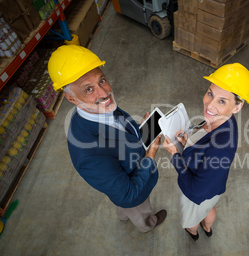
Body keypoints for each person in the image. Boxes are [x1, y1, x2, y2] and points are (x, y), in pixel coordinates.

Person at [47, 45, 166, 233]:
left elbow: (122, 132)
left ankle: (123, 214)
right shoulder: (87, 152)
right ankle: (147, 224)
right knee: (136, 206)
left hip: (123, 178)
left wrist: (142, 132)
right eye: (88, 89)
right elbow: (129, 194)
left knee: (120, 201)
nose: (104, 93)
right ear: (71, 98)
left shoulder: (102, 108)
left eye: (102, 80)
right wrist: (150, 155)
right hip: (134, 185)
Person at [162, 63, 249, 240]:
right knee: (208, 208)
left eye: (222, 101)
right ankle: (208, 228)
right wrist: (189, 141)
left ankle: (193, 231)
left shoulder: (221, 147)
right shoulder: (224, 121)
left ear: (237, 107)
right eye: (210, 93)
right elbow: (205, 150)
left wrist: (174, 155)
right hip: (213, 188)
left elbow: (195, 190)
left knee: (192, 217)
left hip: (198, 192)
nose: (209, 105)